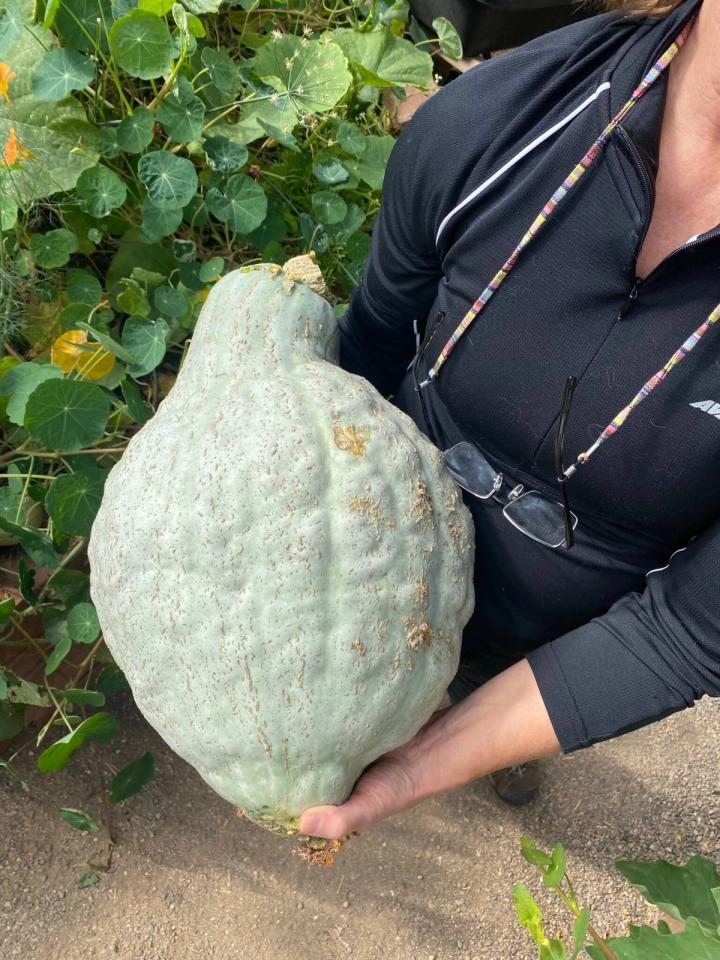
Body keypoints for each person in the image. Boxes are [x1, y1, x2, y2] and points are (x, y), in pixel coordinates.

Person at [298, 0, 720, 838]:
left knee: (506, 690)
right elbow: (372, 344)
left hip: (566, 627)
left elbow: (685, 632)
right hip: (381, 539)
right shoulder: (494, 126)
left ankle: (502, 727)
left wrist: (422, 763)